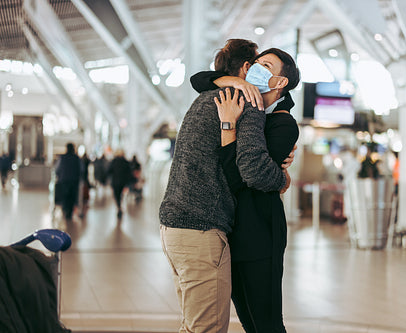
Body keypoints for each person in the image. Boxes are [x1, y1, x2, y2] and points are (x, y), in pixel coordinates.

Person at [159, 39, 292, 333]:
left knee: (192, 325)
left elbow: (199, 79)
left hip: (173, 228)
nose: (259, 70)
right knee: (206, 328)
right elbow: (254, 171)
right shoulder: (249, 102)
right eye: (258, 64)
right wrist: (282, 178)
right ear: (246, 68)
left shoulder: (206, 97)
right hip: (202, 230)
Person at [197, 48, 300, 332]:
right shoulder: (249, 110)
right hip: (233, 232)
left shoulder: (282, 124)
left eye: (266, 65)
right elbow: (199, 79)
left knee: (266, 323)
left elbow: (241, 176)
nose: (255, 68)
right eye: (255, 63)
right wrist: (237, 83)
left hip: (260, 235)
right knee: (247, 320)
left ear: (279, 83)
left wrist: (228, 129)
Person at [55, 143, 81, 221]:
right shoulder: (76, 158)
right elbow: (81, 169)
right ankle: (69, 212)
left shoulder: (62, 158)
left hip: (64, 180)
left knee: (65, 196)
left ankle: (65, 210)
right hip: (74, 181)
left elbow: (57, 169)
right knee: (72, 197)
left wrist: (59, 176)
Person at [107, 149, 132, 219]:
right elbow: (129, 173)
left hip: (115, 182)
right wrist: (127, 183)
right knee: (121, 195)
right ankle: (120, 206)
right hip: (123, 183)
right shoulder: (126, 162)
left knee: (116, 195)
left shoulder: (113, 161)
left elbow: (109, 171)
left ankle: (118, 207)